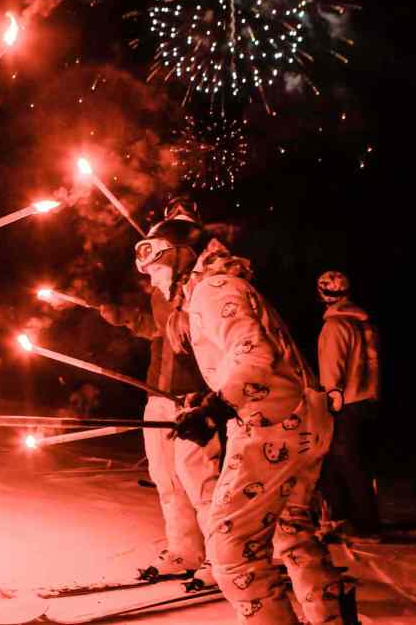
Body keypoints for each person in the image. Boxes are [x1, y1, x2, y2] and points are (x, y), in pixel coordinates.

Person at [154, 225, 359, 624]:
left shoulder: (212, 290)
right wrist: (211, 399)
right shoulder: (223, 286)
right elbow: (254, 356)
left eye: (152, 252)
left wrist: (218, 407)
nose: (148, 268)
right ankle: (331, 617)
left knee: (231, 548)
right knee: (291, 531)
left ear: (180, 255)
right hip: (303, 419)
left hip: (273, 425)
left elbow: (255, 357)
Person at [97, 197, 221, 588]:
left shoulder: (207, 287)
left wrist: (210, 396)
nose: (152, 276)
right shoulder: (159, 293)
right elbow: (155, 330)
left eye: (158, 267)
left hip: (193, 397)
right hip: (158, 391)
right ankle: (184, 550)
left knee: (200, 478)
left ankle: (221, 557)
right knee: (165, 476)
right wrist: (119, 315)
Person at [315, 271, 382, 539]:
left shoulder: (335, 327)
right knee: (358, 461)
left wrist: (331, 397)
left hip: (347, 402)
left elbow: (333, 368)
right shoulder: (365, 324)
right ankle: (352, 517)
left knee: (346, 462)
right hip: (368, 399)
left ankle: (362, 524)